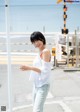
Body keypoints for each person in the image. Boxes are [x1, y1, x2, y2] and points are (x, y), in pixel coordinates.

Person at [20, 31, 51, 112]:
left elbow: (44, 71)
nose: (36, 43)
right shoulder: (39, 52)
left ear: (42, 39)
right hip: (36, 85)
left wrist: (29, 68)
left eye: (37, 40)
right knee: (35, 108)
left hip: (43, 86)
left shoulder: (45, 52)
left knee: (37, 110)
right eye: (34, 42)